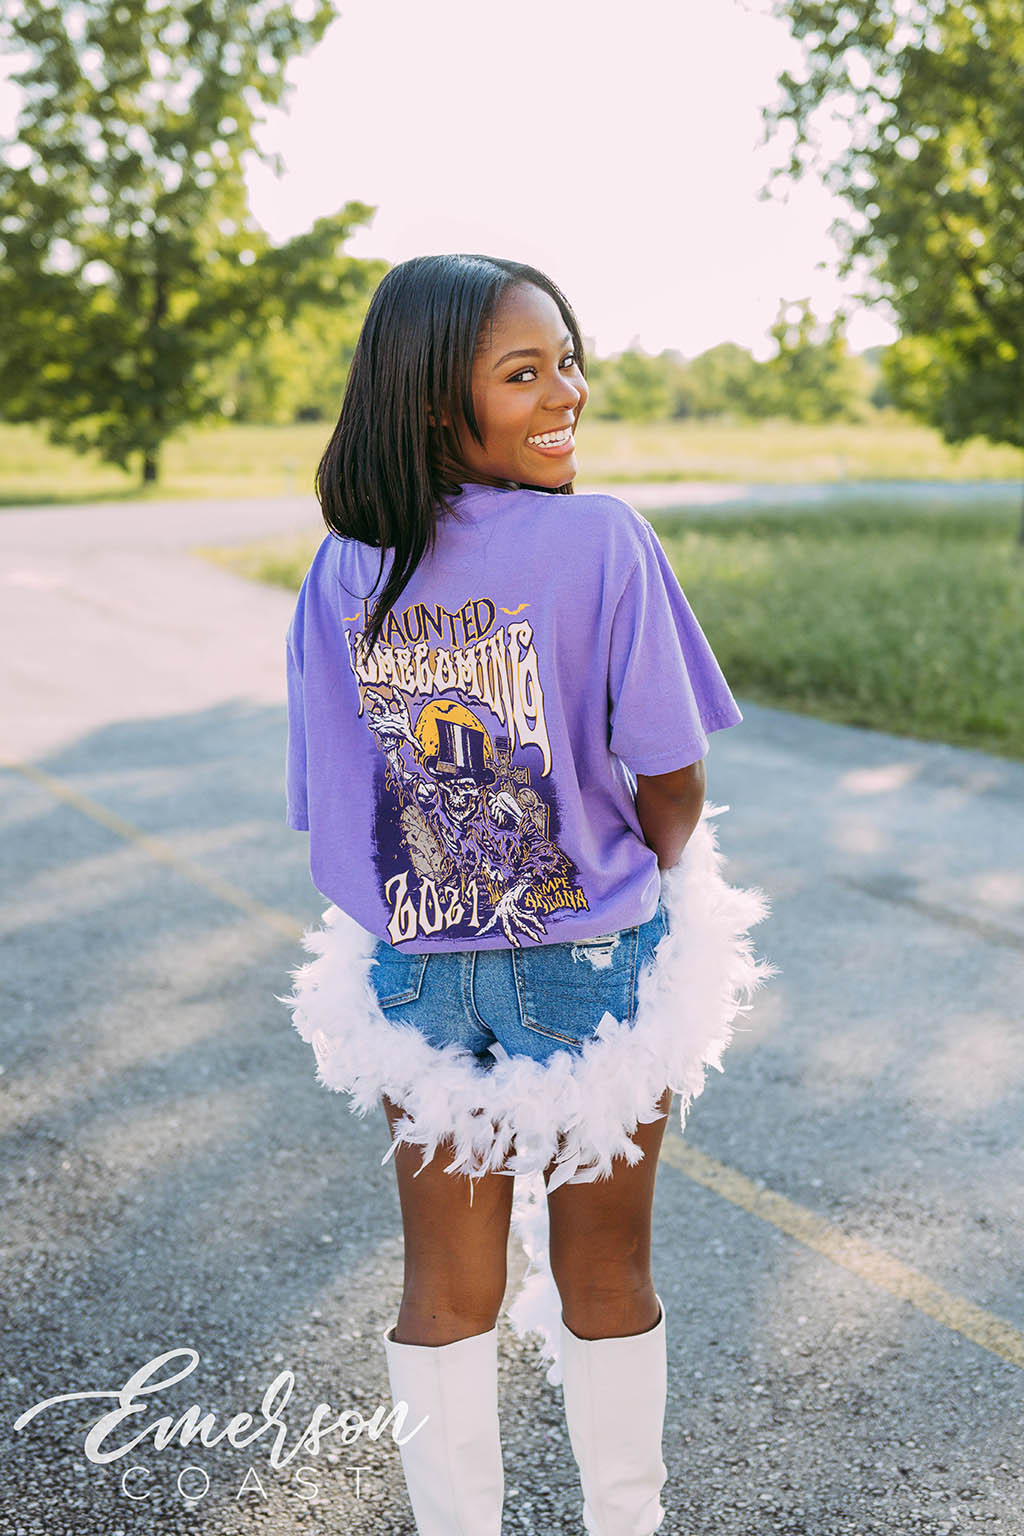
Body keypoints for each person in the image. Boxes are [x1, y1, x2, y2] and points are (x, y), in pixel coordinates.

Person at [281, 253, 776, 1536]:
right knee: (602, 1274)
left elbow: (333, 805)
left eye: (566, 361)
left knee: (444, 1288)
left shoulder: (343, 568)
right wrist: (642, 865)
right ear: (431, 403)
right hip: (587, 963)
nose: (567, 393)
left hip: (412, 970)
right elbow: (672, 774)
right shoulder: (599, 538)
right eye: (523, 373)